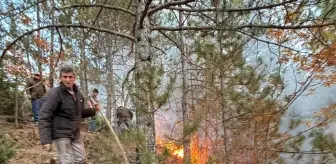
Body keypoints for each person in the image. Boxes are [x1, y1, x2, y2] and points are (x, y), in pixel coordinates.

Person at [38, 66, 100, 164]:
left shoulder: (78, 95)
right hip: (60, 134)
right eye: (65, 77)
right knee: (68, 161)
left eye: (70, 77)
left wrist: (93, 110)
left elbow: (80, 113)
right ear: (60, 78)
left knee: (82, 160)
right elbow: (44, 115)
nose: (68, 80)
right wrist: (46, 139)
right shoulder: (54, 94)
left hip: (75, 133)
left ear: (74, 78)